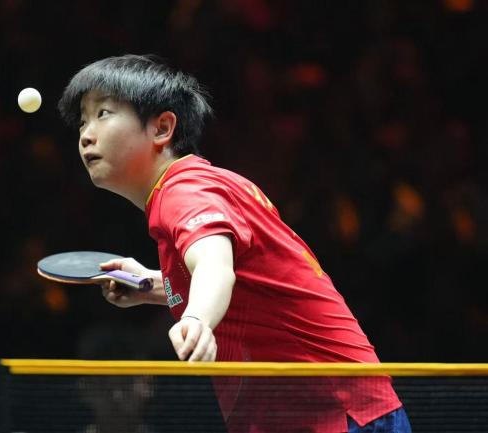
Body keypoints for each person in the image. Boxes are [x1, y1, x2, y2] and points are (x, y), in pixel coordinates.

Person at [57, 54, 411, 433]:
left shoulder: (184, 190)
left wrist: (197, 319)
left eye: (103, 113)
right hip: (310, 414)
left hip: (338, 415)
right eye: (82, 121)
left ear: (162, 128)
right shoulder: (202, 185)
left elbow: (214, 265)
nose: (86, 135)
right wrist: (153, 284)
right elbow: (242, 277)